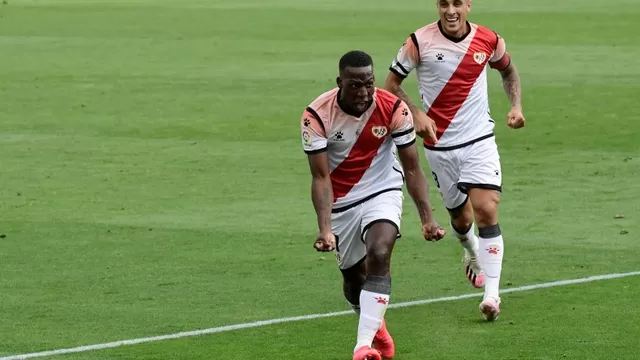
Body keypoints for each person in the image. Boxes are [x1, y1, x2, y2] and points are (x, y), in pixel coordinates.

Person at [383, 0, 525, 321]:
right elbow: (391, 85)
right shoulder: (418, 42)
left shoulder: (489, 39)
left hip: (479, 140)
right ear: (437, 5)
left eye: (457, 3)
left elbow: (508, 71)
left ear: (468, 6)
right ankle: (471, 250)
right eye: (444, 3)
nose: (451, 10)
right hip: (440, 146)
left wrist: (515, 106)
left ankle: (492, 296)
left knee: (487, 209)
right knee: (462, 221)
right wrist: (415, 112)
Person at [301, 50, 445, 360]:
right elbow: (321, 177)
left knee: (380, 251)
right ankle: (378, 332)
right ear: (340, 82)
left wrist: (428, 218)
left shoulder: (393, 108)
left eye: (368, 83)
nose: (364, 92)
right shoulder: (317, 115)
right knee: (355, 281)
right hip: (341, 201)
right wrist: (325, 230)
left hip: (383, 188)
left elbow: (412, 168)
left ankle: (362, 345)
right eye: (354, 85)